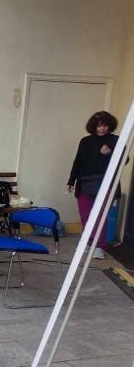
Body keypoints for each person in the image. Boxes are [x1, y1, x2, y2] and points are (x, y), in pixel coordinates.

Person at [67, 110, 120, 260]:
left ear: (110, 126)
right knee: (85, 216)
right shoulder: (85, 141)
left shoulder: (115, 140)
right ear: (93, 126)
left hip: (105, 184)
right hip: (84, 183)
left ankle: (100, 247)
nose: (102, 129)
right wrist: (71, 180)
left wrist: (109, 154)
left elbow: (125, 160)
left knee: (99, 217)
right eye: (99, 126)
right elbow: (78, 162)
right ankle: (89, 242)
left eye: (105, 126)